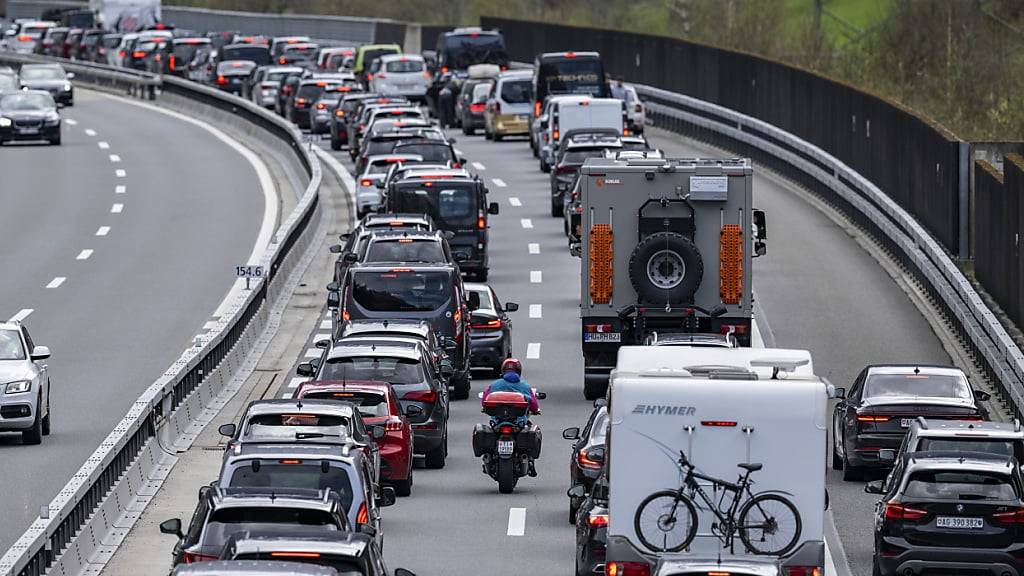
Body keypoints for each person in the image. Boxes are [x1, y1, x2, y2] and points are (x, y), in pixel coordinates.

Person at [482, 358, 540, 476]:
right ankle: (531, 463)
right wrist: (535, 410)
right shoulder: (525, 386)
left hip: (497, 423)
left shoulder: (495, 385)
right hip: (518, 423)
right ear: (519, 371)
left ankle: (488, 457)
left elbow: (484, 401)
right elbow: (534, 405)